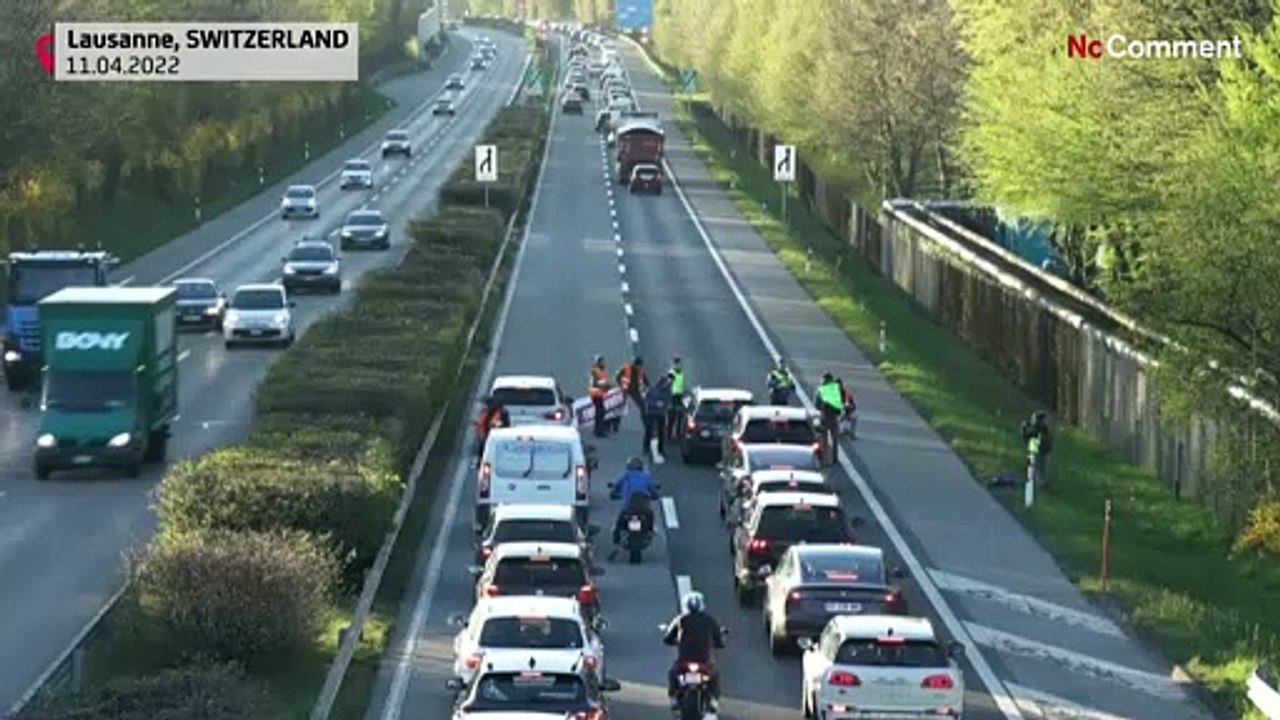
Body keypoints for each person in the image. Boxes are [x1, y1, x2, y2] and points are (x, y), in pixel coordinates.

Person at [663, 591, 725, 710]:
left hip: (684, 660)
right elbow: (719, 640)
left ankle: (674, 698)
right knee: (715, 674)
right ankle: (713, 699)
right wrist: (719, 643)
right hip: (704, 661)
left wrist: (675, 641)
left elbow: (667, 638)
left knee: (673, 673)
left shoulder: (680, 620)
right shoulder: (709, 620)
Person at [611, 456, 658, 544]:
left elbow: (616, 487)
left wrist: (614, 493)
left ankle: (616, 538)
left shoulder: (626, 476)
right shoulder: (646, 476)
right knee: (650, 516)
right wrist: (655, 496)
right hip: (644, 507)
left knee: (620, 522)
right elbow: (653, 490)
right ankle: (650, 531)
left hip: (629, 507)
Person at [816, 372, 844, 463]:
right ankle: (835, 458)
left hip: (824, 416)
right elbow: (842, 401)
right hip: (834, 417)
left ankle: (824, 458)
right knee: (835, 439)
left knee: (823, 438)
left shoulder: (821, 389)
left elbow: (816, 404)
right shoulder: (837, 388)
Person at [643, 373, 672, 460]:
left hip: (661, 414)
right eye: (665, 382)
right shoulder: (652, 390)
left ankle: (660, 449)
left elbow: (668, 401)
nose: (666, 384)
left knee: (661, 433)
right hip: (651, 413)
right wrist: (657, 404)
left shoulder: (667, 391)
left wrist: (665, 405)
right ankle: (646, 447)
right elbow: (647, 400)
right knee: (649, 430)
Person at [1021, 411, 1053, 487]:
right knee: (1037, 466)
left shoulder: (1042, 429)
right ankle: (1040, 481)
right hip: (1037, 450)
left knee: (1042, 466)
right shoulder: (1034, 429)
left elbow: (1025, 437)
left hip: (1043, 450)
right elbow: (1026, 437)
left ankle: (1041, 481)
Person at [589, 355, 610, 438]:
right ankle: (599, 431)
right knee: (600, 412)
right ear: (597, 362)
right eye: (601, 361)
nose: (603, 362)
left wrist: (606, 386)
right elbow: (594, 383)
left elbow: (603, 381)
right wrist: (604, 386)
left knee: (600, 412)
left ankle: (598, 430)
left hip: (600, 393)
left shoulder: (602, 370)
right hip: (595, 394)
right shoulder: (595, 371)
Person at [666, 357, 686, 440]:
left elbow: (680, 385)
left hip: (680, 396)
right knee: (672, 416)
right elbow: (668, 383)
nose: (678, 365)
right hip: (672, 397)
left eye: (679, 364)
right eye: (677, 364)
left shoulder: (681, 373)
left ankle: (678, 434)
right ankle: (669, 434)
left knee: (681, 416)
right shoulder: (671, 373)